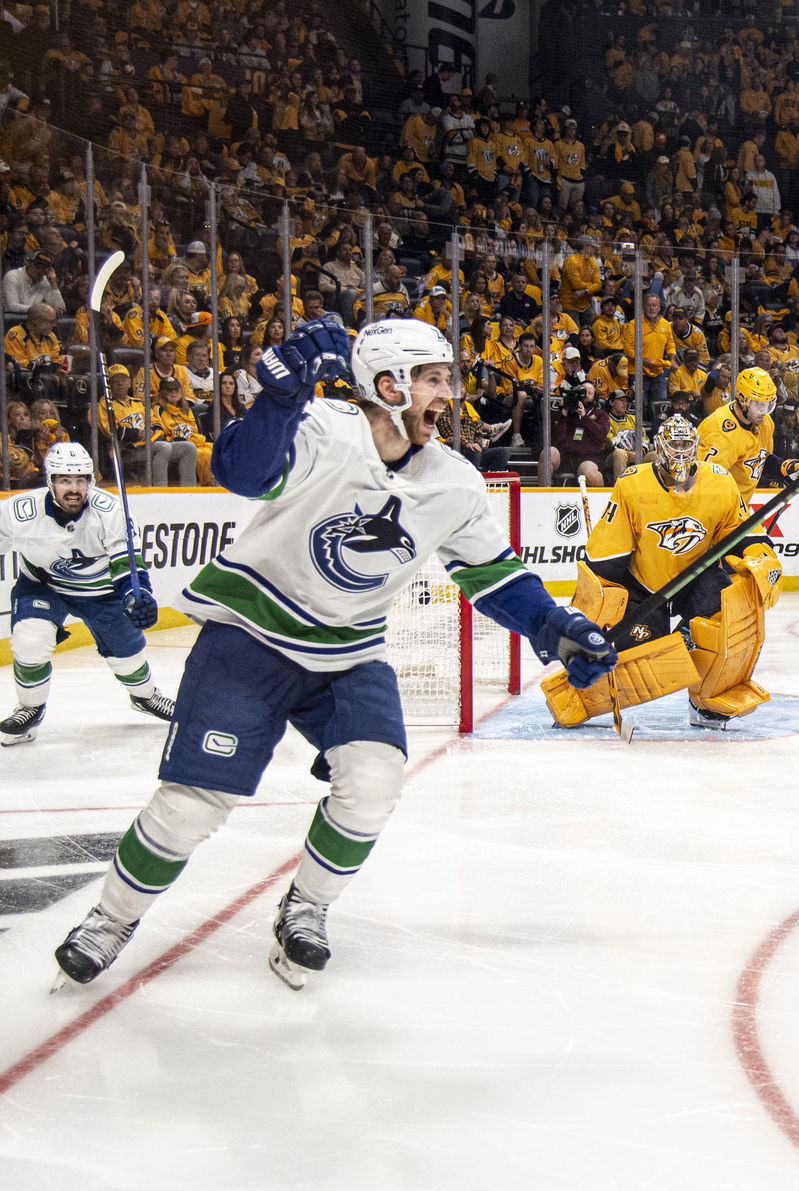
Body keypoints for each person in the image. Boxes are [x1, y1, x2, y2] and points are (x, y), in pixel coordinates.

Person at [53, 317, 617, 991]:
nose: (449, 393)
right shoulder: (321, 427)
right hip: (250, 637)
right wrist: (278, 401)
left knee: (374, 783)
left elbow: (494, 576)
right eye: (434, 379)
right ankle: (111, 919)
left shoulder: (455, 481)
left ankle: (307, 907)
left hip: (349, 652)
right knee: (193, 804)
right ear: (390, 384)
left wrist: (555, 625)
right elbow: (242, 472)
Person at [541, 415, 783, 731]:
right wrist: (598, 611)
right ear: (659, 447)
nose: (681, 452)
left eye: (687, 445)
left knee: (727, 618)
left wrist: (760, 556)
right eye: (675, 445)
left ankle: (708, 701)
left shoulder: (720, 481)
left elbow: (740, 530)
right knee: (643, 661)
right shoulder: (633, 483)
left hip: (696, 578)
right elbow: (607, 556)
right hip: (644, 585)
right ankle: (582, 697)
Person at [0, 443, 174, 745]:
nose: (74, 489)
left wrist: (136, 595)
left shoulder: (109, 510)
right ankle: (30, 709)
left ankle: (145, 697)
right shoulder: (19, 511)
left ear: (91, 481)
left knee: (128, 656)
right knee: (30, 641)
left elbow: (126, 561)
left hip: (101, 592)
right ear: (50, 481)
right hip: (44, 585)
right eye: (65, 480)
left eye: (81, 480)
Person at [696, 366, 799, 501]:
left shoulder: (765, 422)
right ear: (742, 400)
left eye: (768, 404)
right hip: (717, 506)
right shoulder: (719, 430)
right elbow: (704, 482)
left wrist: (784, 468)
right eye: (758, 405)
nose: (763, 411)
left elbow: (760, 460)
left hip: (739, 505)